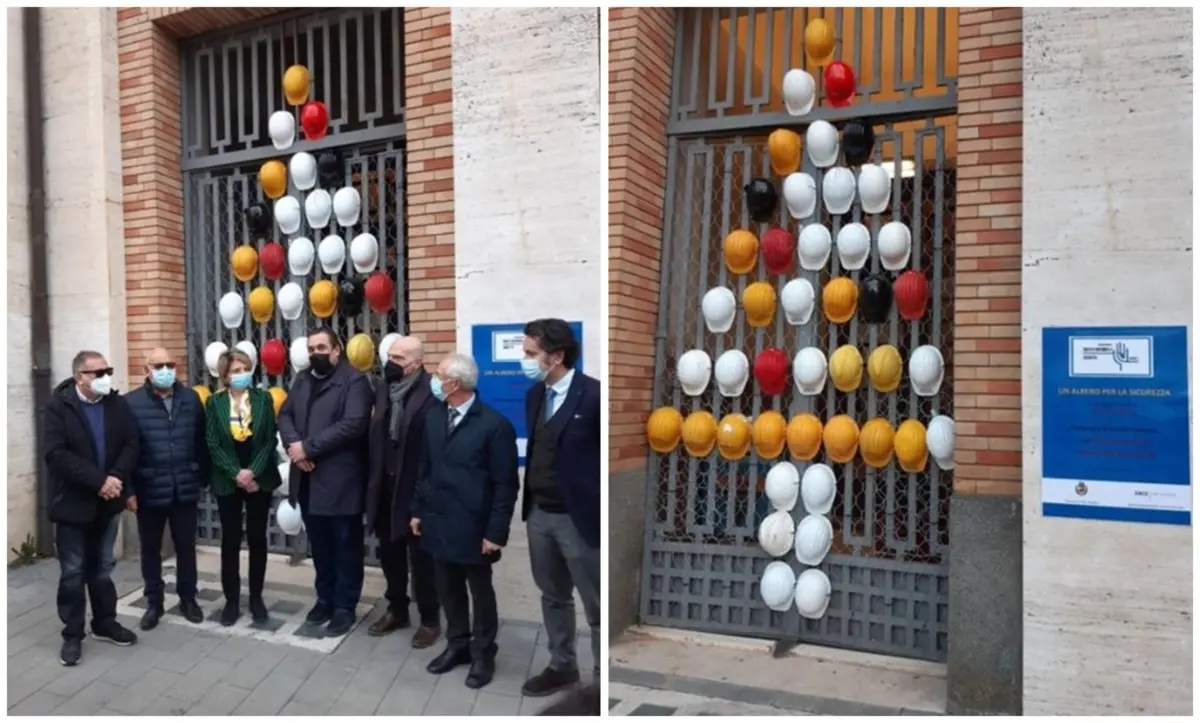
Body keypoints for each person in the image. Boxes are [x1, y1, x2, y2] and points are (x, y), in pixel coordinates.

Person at [411, 352, 519, 690]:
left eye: (439, 374)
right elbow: (424, 469)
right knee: (448, 588)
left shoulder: (494, 425)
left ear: (454, 383)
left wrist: (496, 532)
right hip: (439, 520)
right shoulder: (434, 418)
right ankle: (457, 644)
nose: (435, 379)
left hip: (475, 528)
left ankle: (483, 652)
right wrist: (417, 509)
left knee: (480, 592)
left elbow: (506, 484)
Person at [518, 319, 602, 696]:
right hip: (540, 514)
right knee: (553, 594)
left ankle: (602, 678)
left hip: (577, 518)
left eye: (531, 353)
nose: (526, 359)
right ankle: (562, 665)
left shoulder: (593, 395)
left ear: (557, 356)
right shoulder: (534, 396)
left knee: (596, 603)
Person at [44, 350, 141, 666]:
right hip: (73, 506)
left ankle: (104, 622)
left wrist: (115, 477)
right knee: (73, 572)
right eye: (97, 373)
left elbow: (131, 443)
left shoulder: (116, 404)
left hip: (107, 504)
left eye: (107, 371)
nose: (105, 377)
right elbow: (56, 455)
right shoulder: (59, 408)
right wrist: (99, 480)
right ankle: (72, 635)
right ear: (79, 378)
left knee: (102, 569)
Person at [277, 327, 373, 636]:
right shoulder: (303, 379)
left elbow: (353, 424)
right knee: (320, 546)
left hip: (340, 480)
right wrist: (295, 447)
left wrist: (309, 447)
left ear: (336, 350)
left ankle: (345, 605)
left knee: (345, 546)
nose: (315, 352)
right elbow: (286, 415)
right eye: (311, 348)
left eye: (321, 347)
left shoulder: (355, 381)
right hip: (306, 478)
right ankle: (325, 598)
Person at [124, 347, 209, 630]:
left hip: (183, 486)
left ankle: (188, 598)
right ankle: (154, 602)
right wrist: (129, 490)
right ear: (146, 370)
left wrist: (201, 477)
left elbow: (200, 441)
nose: (165, 370)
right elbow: (125, 451)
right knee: (151, 549)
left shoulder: (191, 398)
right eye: (158, 365)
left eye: (169, 364)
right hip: (149, 489)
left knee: (186, 547)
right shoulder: (131, 403)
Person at [365, 335, 441, 646]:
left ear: (416, 362)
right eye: (390, 356)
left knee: (422, 559)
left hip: (416, 487)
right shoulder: (385, 389)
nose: (390, 363)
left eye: (398, 358)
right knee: (390, 554)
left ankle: (430, 619)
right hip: (386, 486)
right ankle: (397, 609)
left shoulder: (432, 392)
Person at [204, 348, 282, 626]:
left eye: (245, 369)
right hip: (229, 478)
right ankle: (232, 600)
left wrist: (252, 473)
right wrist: (236, 473)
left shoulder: (263, 399)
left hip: (259, 477)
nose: (242, 375)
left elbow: (269, 440)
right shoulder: (214, 403)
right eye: (236, 371)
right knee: (230, 541)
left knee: (258, 540)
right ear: (225, 375)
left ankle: (257, 598)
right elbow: (212, 443)